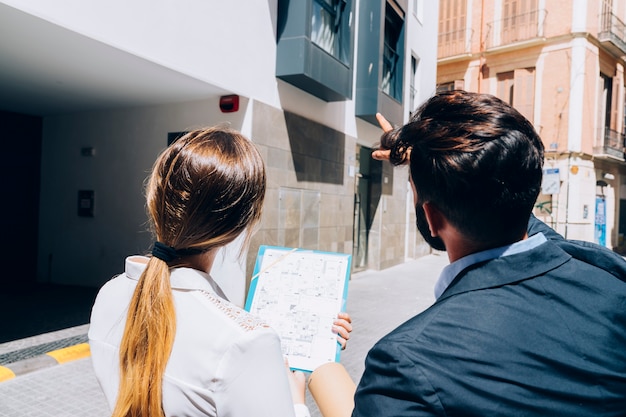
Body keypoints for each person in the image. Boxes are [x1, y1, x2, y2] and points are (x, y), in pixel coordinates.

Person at [352, 90, 626, 416]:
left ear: (431, 217)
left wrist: (318, 378)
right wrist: (443, 168)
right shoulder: (609, 276)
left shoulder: (402, 366)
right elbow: (510, 203)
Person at [88, 126, 352, 417]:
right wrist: (296, 401)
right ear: (240, 225)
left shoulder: (109, 294)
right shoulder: (247, 343)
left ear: (157, 200)